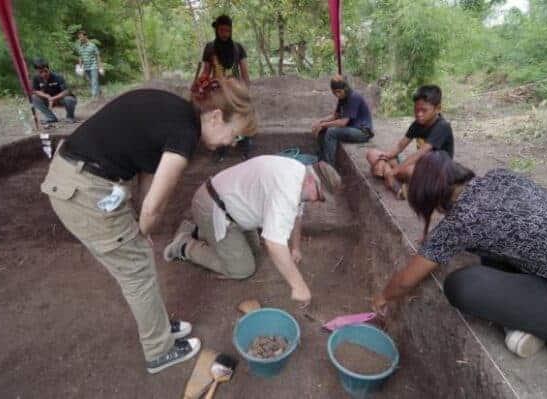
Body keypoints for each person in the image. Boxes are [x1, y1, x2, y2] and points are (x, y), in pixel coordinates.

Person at [40, 77, 257, 374]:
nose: (232, 143)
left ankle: (159, 326)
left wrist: (142, 226)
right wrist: (144, 226)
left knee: (138, 256)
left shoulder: (176, 113)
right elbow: (154, 206)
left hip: (83, 179)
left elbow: (147, 174)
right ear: (217, 117)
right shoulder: (184, 136)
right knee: (137, 271)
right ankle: (159, 350)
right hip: (85, 191)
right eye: (234, 135)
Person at [372, 151, 547, 359]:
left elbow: (404, 282)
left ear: (436, 203)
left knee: (463, 285)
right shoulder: (500, 176)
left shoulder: (460, 222)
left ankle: (534, 328)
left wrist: (383, 297)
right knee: (491, 253)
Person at [163, 156, 342, 307]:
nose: (316, 201)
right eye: (319, 196)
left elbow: (297, 216)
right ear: (312, 180)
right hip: (213, 207)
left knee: (255, 251)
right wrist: (298, 285)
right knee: (242, 269)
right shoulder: (288, 188)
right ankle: (184, 245)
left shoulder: (299, 173)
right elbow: (273, 243)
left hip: (228, 207)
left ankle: (196, 229)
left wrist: (295, 248)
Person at [366, 85, 454, 199]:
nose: (419, 114)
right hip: (420, 166)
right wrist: (383, 158)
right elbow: (399, 147)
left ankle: (394, 180)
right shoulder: (417, 124)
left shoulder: (442, 127)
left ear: (437, 108)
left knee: (408, 170)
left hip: (437, 172)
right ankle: (394, 179)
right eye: (416, 110)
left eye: (424, 110)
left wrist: (395, 170)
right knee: (372, 154)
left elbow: (421, 153)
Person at [201, 15, 252, 162]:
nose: (225, 34)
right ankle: (221, 150)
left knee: (241, 115)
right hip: (218, 91)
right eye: (222, 30)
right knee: (221, 120)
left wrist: (246, 90)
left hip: (235, 89)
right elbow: (206, 70)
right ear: (216, 30)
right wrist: (202, 83)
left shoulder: (238, 48)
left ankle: (246, 145)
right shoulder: (210, 48)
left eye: (227, 31)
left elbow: (244, 72)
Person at [312, 75, 373, 168]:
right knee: (322, 130)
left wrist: (324, 125)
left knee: (331, 132)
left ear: (345, 88)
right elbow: (335, 116)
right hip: (351, 128)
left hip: (362, 132)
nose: (337, 95)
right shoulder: (342, 98)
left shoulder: (354, 97)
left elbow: (343, 122)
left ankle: (329, 167)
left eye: (339, 92)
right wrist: (320, 123)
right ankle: (321, 160)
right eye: (334, 92)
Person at [31, 58, 77, 124]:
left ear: (48, 69)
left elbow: (66, 91)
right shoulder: (36, 78)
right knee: (34, 98)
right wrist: (47, 96)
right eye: (41, 72)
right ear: (37, 71)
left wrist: (53, 98)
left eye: (45, 71)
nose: (44, 74)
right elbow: (35, 91)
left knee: (69, 99)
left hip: (61, 99)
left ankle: (70, 117)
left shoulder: (57, 76)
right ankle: (51, 118)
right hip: (49, 100)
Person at [76, 30, 102, 97]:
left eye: (81, 37)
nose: (80, 39)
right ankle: (99, 92)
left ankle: (93, 96)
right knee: (91, 82)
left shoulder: (92, 45)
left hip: (93, 66)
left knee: (94, 81)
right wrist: (80, 67)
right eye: (79, 37)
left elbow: (98, 56)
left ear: (85, 36)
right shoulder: (80, 47)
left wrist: (100, 67)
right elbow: (80, 57)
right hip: (86, 67)